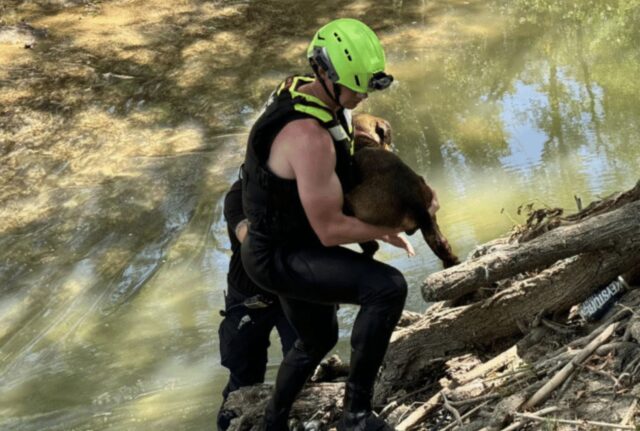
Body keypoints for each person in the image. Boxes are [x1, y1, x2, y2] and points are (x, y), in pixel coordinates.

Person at [240, 18, 411, 431]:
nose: (361, 96)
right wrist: (398, 223)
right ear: (326, 74)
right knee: (387, 288)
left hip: (291, 242)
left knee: (317, 339)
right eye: (355, 87)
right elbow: (330, 230)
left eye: (367, 86)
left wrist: (376, 224)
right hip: (280, 255)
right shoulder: (308, 138)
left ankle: (273, 423)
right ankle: (355, 416)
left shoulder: (308, 93)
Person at [217, 179, 297, 431]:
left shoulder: (309, 182)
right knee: (242, 383)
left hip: (296, 292)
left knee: (301, 374)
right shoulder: (239, 193)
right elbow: (251, 239)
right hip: (249, 299)